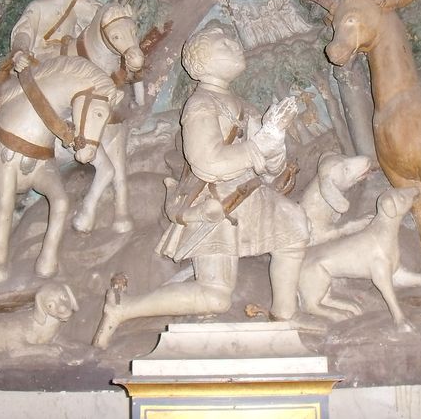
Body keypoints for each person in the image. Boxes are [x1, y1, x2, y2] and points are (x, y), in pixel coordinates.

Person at [92, 24, 313, 349]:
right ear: (202, 61)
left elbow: (270, 170)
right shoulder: (201, 104)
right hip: (217, 202)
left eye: (233, 41)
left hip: (253, 194)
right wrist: (256, 148)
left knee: (294, 227)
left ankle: (284, 317)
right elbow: (206, 162)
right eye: (224, 44)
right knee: (215, 296)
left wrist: (274, 141)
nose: (235, 45)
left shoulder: (245, 106)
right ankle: (123, 309)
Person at [9, 0, 100, 72]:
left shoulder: (80, 4)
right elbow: (24, 32)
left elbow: (103, 18)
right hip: (42, 60)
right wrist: (20, 53)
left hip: (71, 57)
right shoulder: (38, 6)